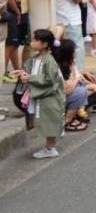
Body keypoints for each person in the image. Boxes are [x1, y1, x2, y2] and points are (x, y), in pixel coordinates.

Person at [16, 29, 65, 159]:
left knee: (49, 121)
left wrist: (30, 78)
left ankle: (50, 149)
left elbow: (50, 79)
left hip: (50, 96)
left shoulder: (49, 60)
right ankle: (49, 147)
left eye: (35, 40)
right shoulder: (36, 57)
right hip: (44, 95)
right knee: (46, 120)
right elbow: (31, 71)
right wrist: (22, 74)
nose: (32, 42)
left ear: (44, 44)